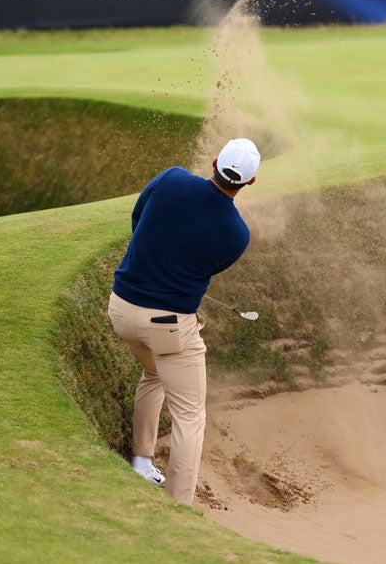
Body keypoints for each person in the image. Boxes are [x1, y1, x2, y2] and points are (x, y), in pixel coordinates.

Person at [109, 138, 260, 506]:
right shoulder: (237, 233)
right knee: (190, 417)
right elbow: (209, 266)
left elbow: (138, 219)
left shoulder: (171, 178)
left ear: (214, 162)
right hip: (166, 326)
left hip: (121, 308)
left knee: (154, 374)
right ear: (248, 183)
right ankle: (179, 507)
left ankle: (142, 462)